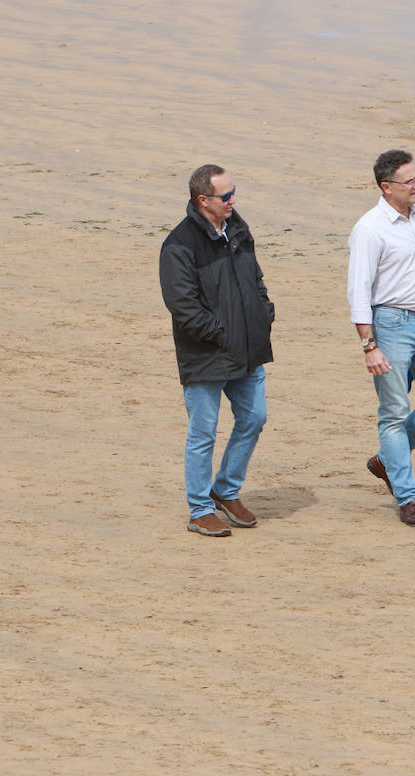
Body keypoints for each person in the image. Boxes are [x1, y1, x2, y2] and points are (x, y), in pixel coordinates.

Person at [159, 164, 275, 537]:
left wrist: (263, 313)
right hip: (206, 355)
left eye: (233, 192)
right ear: (202, 200)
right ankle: (199, 509)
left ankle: (225, 489)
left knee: (254, 418)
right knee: (203, 433)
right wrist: (222, 334)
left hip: (247, 348)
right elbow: (183, 306)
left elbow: (255, 278)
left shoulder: (237, 228)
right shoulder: (179, 245)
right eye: (225, 195)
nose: (232, 200)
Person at [347, 149, 415, 528]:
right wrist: (369, 345)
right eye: (409, 181)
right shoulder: (369, 228)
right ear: (386, 187)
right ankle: (408, 498)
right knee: (393, 412)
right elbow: (358, 290)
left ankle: (386, 460)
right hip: (390, 324)